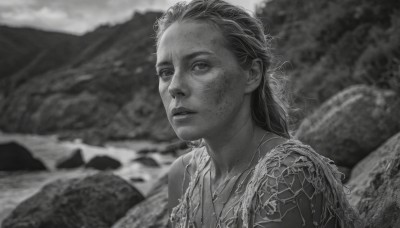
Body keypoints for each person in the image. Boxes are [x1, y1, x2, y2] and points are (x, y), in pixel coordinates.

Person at [155, 0, 361, 227]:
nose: (174, 86)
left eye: (199, 65)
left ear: (252, 74)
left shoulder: (286, 176)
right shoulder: (183, 175)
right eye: (165, 72)